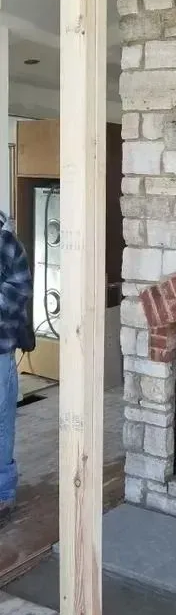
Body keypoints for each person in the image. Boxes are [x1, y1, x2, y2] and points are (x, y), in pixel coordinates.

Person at [0, 210, 32, 527]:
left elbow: (19, 289)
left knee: (1, 423)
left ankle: (3, 493)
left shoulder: (6, 243)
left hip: (0, 350)